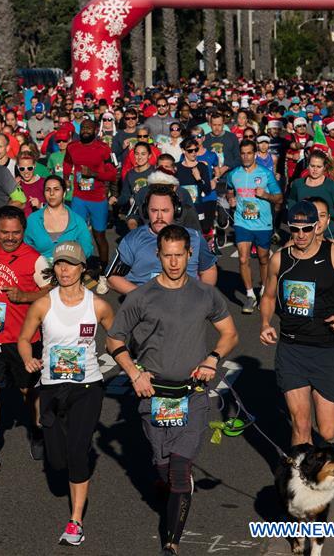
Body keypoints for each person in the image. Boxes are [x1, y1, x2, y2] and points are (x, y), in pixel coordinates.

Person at [107, 224, 239, 556]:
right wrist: (134, 373)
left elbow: (230, 334)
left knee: (180, 471)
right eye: (168, 256)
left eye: (180, 255)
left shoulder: (205, 294)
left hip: (192, 395)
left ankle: (172, 543)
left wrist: (212, 358)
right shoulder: (141, 296)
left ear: (190, 254)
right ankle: (172, 486)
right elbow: (113, 339)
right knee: (163, 466)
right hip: (153, 397)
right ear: (158, 255)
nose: (174, 262)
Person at [17, 241, 114, 547]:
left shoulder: (97, 305)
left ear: (82, 268)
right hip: (51, 387)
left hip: (87, 387)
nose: (64, 270)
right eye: (59, 264)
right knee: (57, 460)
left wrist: (130, 358)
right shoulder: (43, 304)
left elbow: (116, 337)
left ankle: (75, 521)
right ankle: (72, 459)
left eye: (70, 264)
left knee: (77, 451)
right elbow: (24, 339)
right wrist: (28, 359)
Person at [260, 201, 334, 447]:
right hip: (291, 348)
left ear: (317, 227)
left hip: (327, 348)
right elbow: (268, 296)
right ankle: (300, 471)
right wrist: (265, 323)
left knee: (327, 431)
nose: (300, 235)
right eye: (295, 229)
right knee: (300, 424)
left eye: (306, 229)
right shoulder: (280, 259)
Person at [0, 206, 51, 471]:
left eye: (15, 233)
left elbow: (53, 289)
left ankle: (37, 430)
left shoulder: (36, 259)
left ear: (24, 231)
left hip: (22, 339)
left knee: (28, 391)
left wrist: (25, 296)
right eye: (4, 232)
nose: (9, 237)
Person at [108, 186, 218, 294]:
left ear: (176, 210)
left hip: (187, 302)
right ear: (146, 211)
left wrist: (202, 296)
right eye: (154, 210)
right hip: (145, 303)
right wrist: (141, 297)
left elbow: (209, 270)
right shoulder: (133, 239)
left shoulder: (195, 238)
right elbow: (112, 277)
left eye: (165, 210)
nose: (159, 216)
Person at [226, 139, 283, 313]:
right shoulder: (233, 174)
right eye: (243, 153)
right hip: (242, 222)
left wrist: (265, 195)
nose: (246, 157)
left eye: (249, 153)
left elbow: (279, 198)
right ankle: (250, 295)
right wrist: (231, 199)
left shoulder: (265, 174)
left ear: (255, 154)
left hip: (263, 223)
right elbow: (229, 189)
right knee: (243, 258)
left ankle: (264, 289)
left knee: (263, 258)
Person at [63, 118, 117, 264]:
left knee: (99, 236)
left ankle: (104, 271)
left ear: (95, 130)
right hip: (79, 198)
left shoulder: (103, 148)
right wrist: (66, 177)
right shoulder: (72, 147)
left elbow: (112, 174)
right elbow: (67, 162)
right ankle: (77, 266)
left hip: (98, 199)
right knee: (76, 234)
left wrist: (94, 174)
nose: (85, 130)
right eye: (83, 127)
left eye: (89, 128)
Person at [23, 176, 94, 263]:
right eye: (48, 190)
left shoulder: (77, 221)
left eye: (56, 189)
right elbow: (26, 247)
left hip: (69, 268)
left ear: (64, 193)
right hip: (39, 268)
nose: (51, 193)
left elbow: (87, 249)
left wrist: (70, 260)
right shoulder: (33, 220)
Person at [286, 151, 334, 234]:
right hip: (303, 232)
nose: (315, 170)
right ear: (308, 165)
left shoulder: (331, 185)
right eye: (312, 166)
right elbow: (291, 200)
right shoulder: (298, 184)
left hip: (326, 233)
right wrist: (294, 213)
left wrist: (320, 212)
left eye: (319, 167)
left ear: (324, 167)